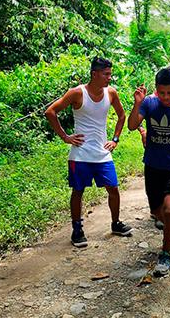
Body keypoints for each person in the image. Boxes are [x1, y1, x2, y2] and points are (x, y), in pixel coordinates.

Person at [45, 56, 132, 248]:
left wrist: (115, 139)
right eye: (105, 74)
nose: (109, 78)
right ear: (94, 74)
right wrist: (65, 137)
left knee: (114, 189)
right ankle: (77, 230)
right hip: (81, 154)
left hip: (102, 152)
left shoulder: (111, 93)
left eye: (110, 74)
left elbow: (122, 115)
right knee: (78, 191)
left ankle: (116, 223)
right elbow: (51, 112)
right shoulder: (77, 93)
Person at [128, 67, 170, 277]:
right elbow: (132, 126)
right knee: (157, 211)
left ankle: (165, 252)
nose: (166, 97)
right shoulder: (148, 104)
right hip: (152, 166)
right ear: (156, 90)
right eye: (162, 93)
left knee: (169, 210)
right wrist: (137, 102)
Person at [137, 91, 170, 231]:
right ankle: (159, 214)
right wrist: (143, 132)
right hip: (155, 153)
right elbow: (137, 120)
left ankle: (168, 223)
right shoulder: (149, 101)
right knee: (154, 191)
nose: (166, 96)